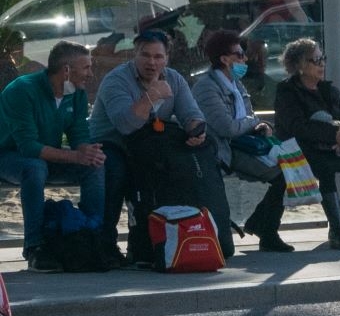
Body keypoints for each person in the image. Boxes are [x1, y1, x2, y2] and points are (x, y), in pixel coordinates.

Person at [92, 30, 209, 264]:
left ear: (166, 58)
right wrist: (152, 95)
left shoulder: (174, 78)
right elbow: (126, 125)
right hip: (112, 143)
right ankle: (105, 244)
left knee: (184, 165)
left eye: (158, 56)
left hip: (149, 144)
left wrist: (197, 131)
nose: (151, 62)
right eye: (145, 55)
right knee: (116, 170)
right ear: (134, 54)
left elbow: (192, 114)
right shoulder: (117, 80)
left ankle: (172, 237)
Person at [0, 41, 105, 269]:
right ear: (66, 70)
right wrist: (77, 156)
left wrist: (87, 151)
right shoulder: (21, 90)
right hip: (9, 156)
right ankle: (35, 247)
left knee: (95, 164)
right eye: (86, 67)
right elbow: (28, 147)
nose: (90, 73)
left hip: (47, 156)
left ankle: (93, 239)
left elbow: (79, 134)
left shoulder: (76, 94)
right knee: (34, 167)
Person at [191, 28, 290, 258]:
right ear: (224, 59)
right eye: (239, 54)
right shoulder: (207, 88)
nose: (245, 59)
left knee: (289, 167)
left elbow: (244, 120)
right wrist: (254, 121)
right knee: (281, 173)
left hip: (243, 143)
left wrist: (259, 126)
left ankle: (260, 224)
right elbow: (226, 127)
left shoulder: (236, 85)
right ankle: (266, 231)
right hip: (223, 150)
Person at [269, 38, 340, 251]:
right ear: (301, 66)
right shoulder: (287, 91)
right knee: (325, 169)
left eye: (322, 59)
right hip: (299, 149)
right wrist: (334, 135)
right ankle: (338, 229)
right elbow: (297, 127)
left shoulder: (328, 90)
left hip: (328, 146)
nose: (322, 64)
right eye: (316, 60)